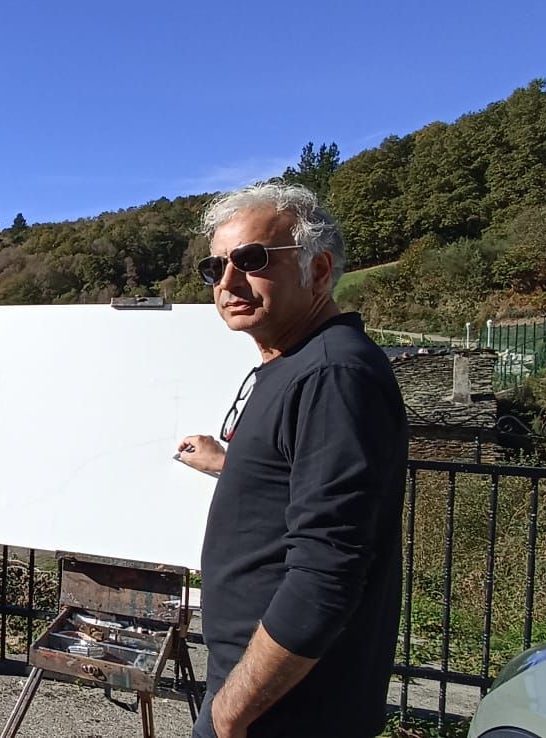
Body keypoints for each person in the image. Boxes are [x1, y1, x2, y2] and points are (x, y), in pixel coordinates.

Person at [175, 183, 408, 738]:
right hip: (269, 693)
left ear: (319, 270)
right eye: (215, 267)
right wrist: (229, 466)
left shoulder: (332, 375)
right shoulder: (299, 364)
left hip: (285, 706)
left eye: (252, 260)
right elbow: (302, 486)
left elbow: (328, 571)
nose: (228, 281)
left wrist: (232, 711)